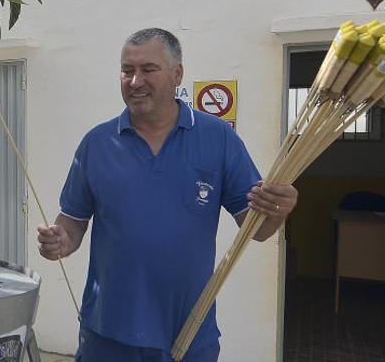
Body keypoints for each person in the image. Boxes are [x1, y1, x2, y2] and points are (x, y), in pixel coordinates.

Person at [36, 28, 298, 362]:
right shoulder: (97, 144)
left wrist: (277, 211)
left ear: (177, 74)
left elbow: (257, 230)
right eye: (127, 70)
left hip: (188, 335)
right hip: (107, 332)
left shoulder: (218, 139)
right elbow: (72, 222)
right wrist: (59, 241)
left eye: (148, 69)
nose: (135, 81)